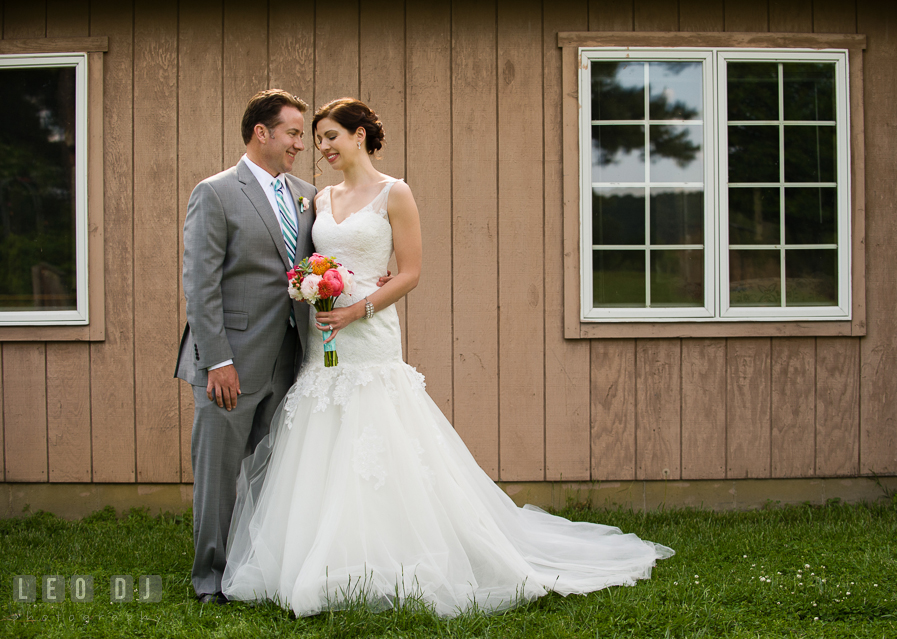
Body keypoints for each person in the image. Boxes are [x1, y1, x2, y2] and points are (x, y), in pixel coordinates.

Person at [221, 98, 674, 617]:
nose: (320, 148)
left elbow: (411, 272)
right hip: (323, 333)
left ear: (361, 136)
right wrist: (311, 289)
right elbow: (310, 260)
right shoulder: (318, 200)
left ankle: (401, 555)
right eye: (316, 138)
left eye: (329, 137)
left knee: (380, 431)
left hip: (368, 332)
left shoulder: (396, 193)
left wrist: (359, 309)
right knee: (324, 431)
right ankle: (321, 559)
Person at [175, 89, 318, 605]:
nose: (301, 143)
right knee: (218, 473)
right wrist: (218, 359)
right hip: (229, 361)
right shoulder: (214, 193)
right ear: (263, 133)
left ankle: (253, 571)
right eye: (294, 132)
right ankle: (209, 579)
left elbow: (319, 265)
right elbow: (200, 284)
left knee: (271, 471)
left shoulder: (306, 193)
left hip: (289, 357)